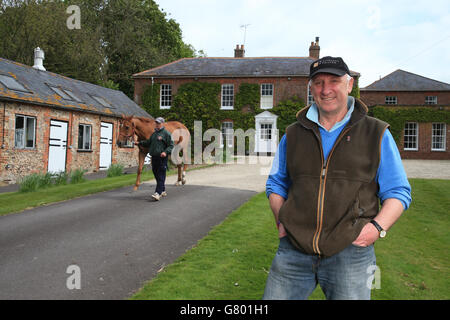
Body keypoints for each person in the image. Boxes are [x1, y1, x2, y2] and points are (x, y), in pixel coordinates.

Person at [263, 56, 412, 300]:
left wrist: (376, 228)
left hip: (350, 253)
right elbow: (276, 183)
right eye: (319, 82)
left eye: (334, 81)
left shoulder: (377, 132)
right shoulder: (292, 134)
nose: (326, 89)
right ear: (311, 88)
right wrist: (282, 222)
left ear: (349, 84)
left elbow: (398, 191)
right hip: (293, 251)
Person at [136, 117, 174, 201]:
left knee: (160, 174)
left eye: (159, 123)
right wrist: (139, 143)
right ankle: (163, 189)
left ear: (162, 124)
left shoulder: (166, 134)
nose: (157, 124)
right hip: (154, 157)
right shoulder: (154, 134)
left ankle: (158, 193)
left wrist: (165, 152)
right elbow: (148, 142)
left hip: (162, 157)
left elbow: (171, 145)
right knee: (156, 173)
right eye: (156, 123)